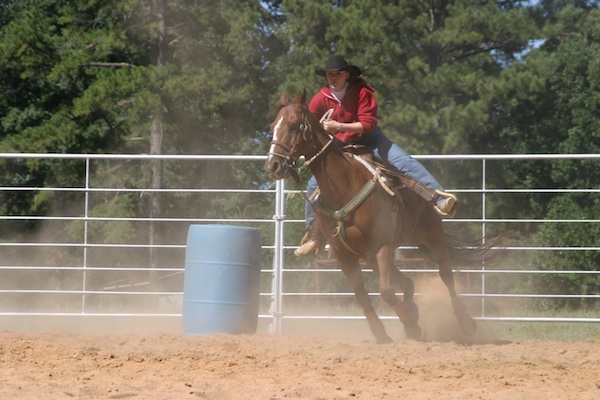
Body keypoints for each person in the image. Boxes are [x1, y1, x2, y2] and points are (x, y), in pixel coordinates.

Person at [295, 55, 457, 257]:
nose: (332, 78)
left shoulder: (362, 92)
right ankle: (314, 235)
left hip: (371, 139)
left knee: (402, 161)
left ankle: (439, 198)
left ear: (346, 75)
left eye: (337, 74)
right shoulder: (321, 98)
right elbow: (310, 123)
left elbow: (368, 124)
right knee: (313, 184)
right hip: (341, 143)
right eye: (329, 75)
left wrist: (338, 126)